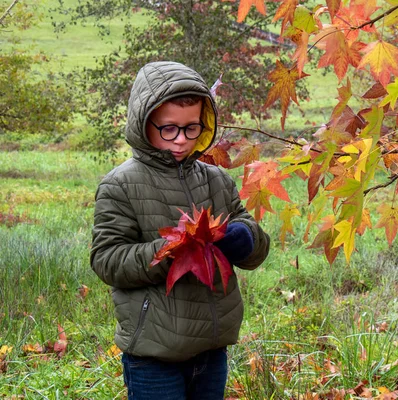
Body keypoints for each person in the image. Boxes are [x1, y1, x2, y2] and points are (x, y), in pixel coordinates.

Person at [91, 61, 270, 400]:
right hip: (154, 354)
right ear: (144, 124)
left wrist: (246, 238)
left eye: (191, 129)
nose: (181, 140)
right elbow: (107, 259)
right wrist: (168, 250)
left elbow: (252, 238)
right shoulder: (120, 185)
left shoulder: (216, 180)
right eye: (169, 129)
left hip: (211, 346)